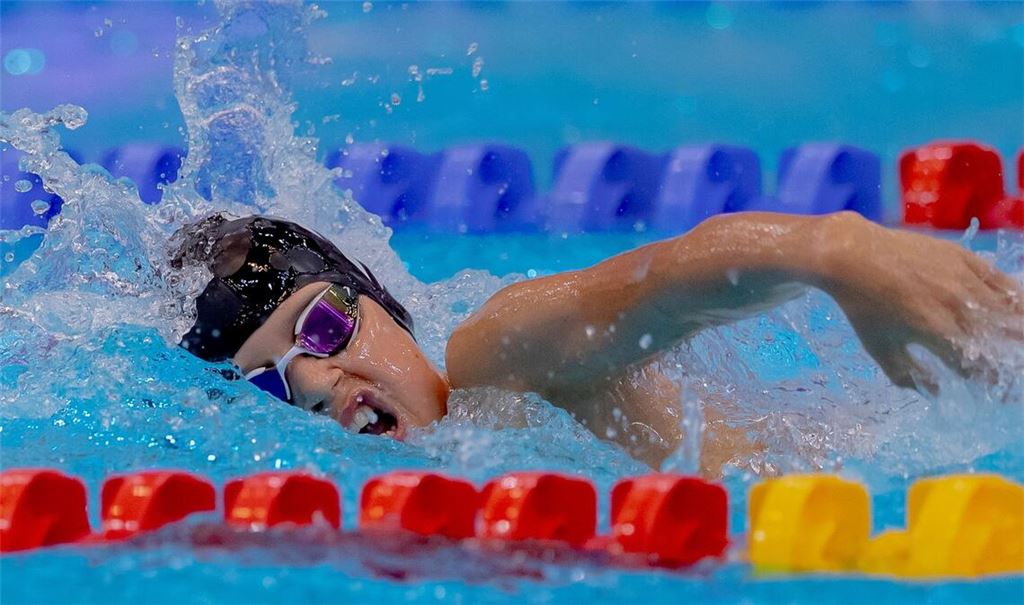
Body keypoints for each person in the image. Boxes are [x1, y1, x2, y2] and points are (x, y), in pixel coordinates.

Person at [171, 211, 1023, 471]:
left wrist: (843, 254)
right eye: (277, 383)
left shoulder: (494, 356)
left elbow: (667, 276)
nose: (319, 380)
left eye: (321, 327)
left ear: (383, 303)